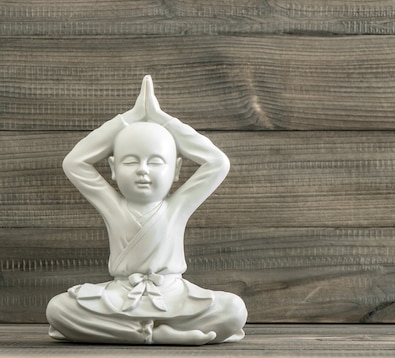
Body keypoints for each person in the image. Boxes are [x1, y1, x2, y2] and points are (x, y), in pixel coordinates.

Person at [46, 76, 247, 345]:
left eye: (155, 162)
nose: (143, 170)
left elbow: (217, 163)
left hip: (173, 293)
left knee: (234, 309)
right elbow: (74, 162)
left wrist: (163, 120)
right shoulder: (113, 205)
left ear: (176, 169)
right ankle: (154, 334)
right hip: (121, 294)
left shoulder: (178, 205)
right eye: (131, 162)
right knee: (58, 309)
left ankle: (137, 332)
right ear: (114, 169)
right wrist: (127, 118)